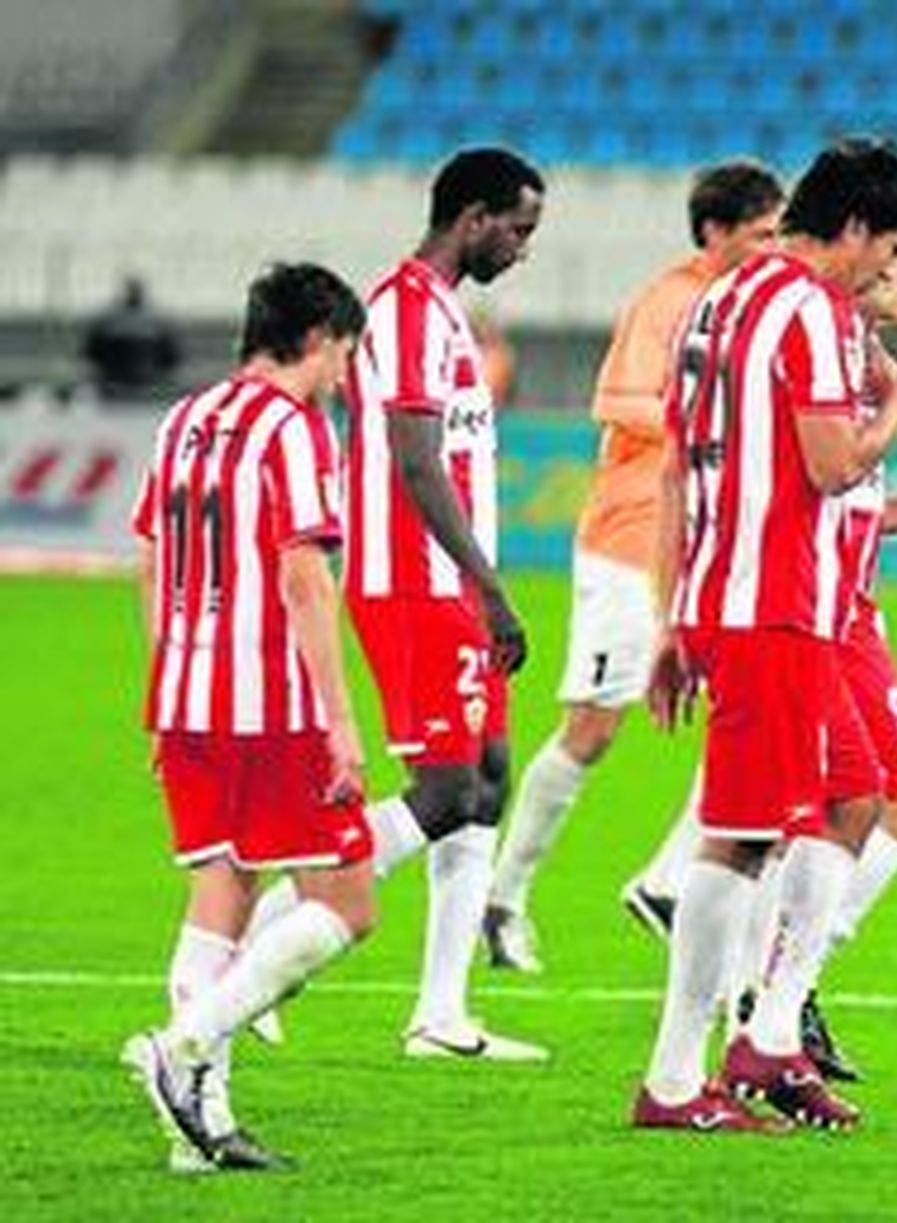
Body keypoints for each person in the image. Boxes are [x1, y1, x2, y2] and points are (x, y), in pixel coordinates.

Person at [628, 249, 897, 1082]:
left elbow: (839, 498)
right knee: (838, 811)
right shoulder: (817, 342)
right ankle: (768, 999)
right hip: (810, 612)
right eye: (891, 262)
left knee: (872, 808)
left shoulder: (840, 342)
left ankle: (773, 997)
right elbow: (804, 481)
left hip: (828, 605)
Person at [633, 138, 897, 1133]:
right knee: (743, 833)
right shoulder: (812, 311)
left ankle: (768, 1037)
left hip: (730, 595)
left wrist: (674, 615)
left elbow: (678, 466)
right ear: (851, 227)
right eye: (890, 250)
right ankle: (674, 1080)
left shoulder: (717, 301)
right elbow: (834, 463)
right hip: (774, 603)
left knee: (853, 792)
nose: (887, 273)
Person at [243, 147, 549, 1060]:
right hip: (415, 580)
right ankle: (274, 921)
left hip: (451, 582)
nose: (524, 248)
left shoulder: (446, 313)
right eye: (518, 229)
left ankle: (441, 1015)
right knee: (449, 789)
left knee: (488, 779)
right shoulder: (407, 311)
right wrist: (488, 587)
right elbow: (416, 464)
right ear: (473, 219)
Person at [482, 160, 787, 973]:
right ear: (715, 232)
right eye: (760, 234)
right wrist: (718, 421)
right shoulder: (669, 299)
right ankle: (503, 896)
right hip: (631, 538)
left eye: (779, 234)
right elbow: (615, 402)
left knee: (757, 707)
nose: (772, 248)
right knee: (593, 728)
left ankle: (667, 880)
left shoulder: (755, 303)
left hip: (704, 546)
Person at [120, 262, 374, 1172]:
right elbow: (305, 577)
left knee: (221, 892)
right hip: (270, 703)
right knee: (348, 903)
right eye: (345, 352)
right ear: (316, 339)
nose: (345, 373)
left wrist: (165, 685)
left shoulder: (183, 419)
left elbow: (152, 559)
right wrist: (340, 719)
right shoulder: (293, 428)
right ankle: (180, 1046)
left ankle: (200, 1132)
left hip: (187, 696)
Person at [82, 275, 182, 398]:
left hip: (121, 380)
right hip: (139, 380)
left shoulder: (108, 320)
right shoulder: (156, 322)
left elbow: (92, 353)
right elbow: (171, 357)